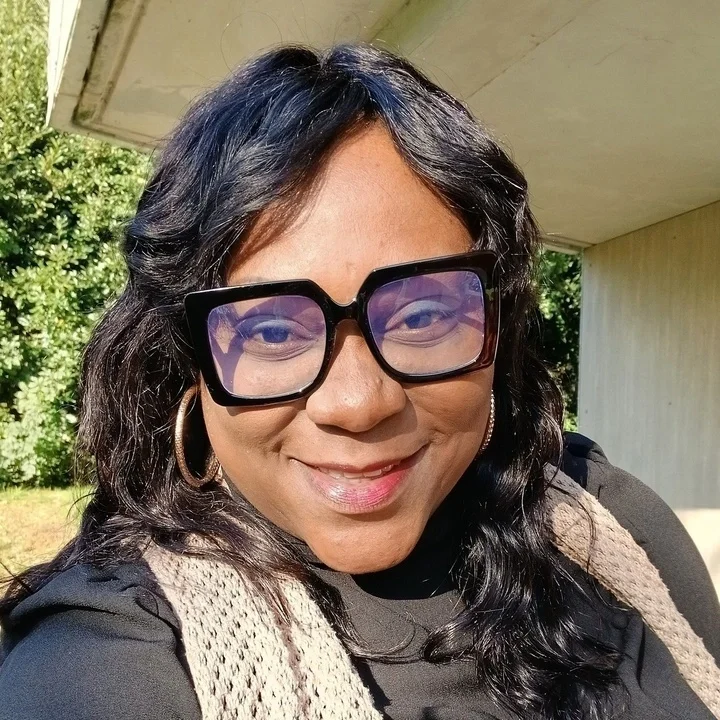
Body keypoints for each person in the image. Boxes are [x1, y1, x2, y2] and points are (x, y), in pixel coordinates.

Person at [0, 43, 718, 720]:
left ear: (496, 328)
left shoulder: (608, 521)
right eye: (272, 331)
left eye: (422, 315)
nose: (358, 403)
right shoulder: (103, 668)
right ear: (191, 360)